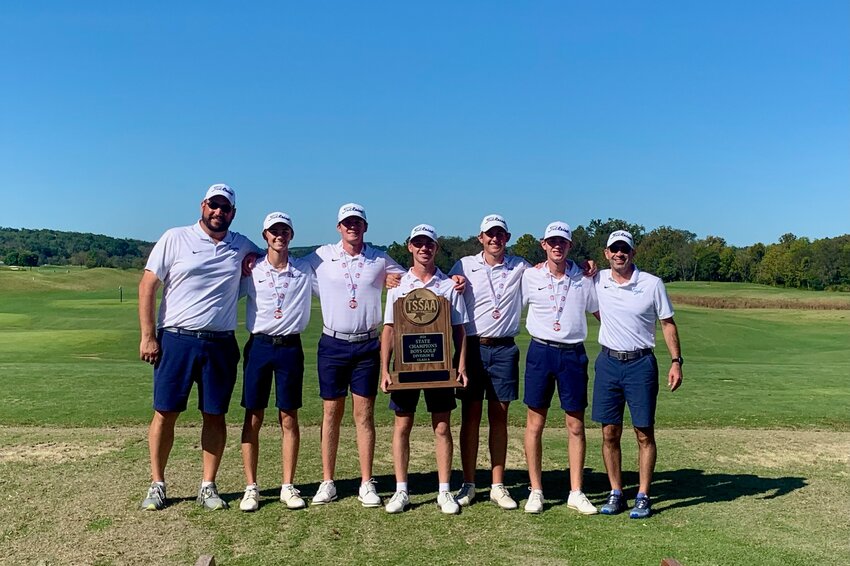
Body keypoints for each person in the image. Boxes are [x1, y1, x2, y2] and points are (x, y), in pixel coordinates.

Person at [138, 183, 260, 511]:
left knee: (215, 414)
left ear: (233, 213)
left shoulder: (242, 246)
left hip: (220, 343)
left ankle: (208, 485)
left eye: (225, 208)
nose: (218, 212)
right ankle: (157, 483)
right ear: (203, 205)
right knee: (165, 412)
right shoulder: (175, 237)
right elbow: (148, 285)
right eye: (213, 205)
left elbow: (273, 266)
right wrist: (148, 336)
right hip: (176, 339)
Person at [305, 203, 406, 507]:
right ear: (339, 227)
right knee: (331, 413)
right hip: (332, 344)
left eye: (357, 223)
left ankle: (366, 482)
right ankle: (328, 481)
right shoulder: (321, 255)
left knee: (364, 415)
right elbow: (285, 263)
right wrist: (250, 261)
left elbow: (414, 276)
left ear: (365, 227)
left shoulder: (378, 258)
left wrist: (450, 279)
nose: (352, 227)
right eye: (347, 223)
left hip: (367, 345)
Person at [591, 230, 683, 519]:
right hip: (608, 363)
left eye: (624, 249)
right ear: (606, 253)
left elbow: (667, 323)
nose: (619, 254)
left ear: (633, 253)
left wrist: (676, 361)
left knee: (643, 432)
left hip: (641, 364)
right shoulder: (598, 279)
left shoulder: (652, 283)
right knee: (609, 432)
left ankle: (643, 494)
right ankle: (616, 491)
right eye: (614, 249)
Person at [379, 224, 469, 515]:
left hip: (440, 368)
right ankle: (401, 490)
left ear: (436, 248)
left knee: (442, 427)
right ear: (410, 247)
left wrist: (461, 365)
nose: (424, 248)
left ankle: (444, 491)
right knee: (402, 426)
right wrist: (384, 369)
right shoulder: (398, 287)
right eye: (418, 243)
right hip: (405, 369)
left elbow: (459, 330)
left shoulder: (448, 285)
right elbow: (389, 330)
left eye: (429, 244)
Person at [449, 214, 530, 510]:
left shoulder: (520, 266)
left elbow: (552, 271)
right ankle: (468, 483)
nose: (495, 239)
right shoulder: (464, 264)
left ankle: (497, 485)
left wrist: (585, 267)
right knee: (470, 417)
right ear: (480, 237)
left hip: (505, 348)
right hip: (471, 347)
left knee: (499, 417)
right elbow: (441, 284)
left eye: (500, 234)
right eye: (489, 234)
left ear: (507, 238)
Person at [520, 221, 599, 514]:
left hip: (573, 354)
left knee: (575, 425)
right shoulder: (529, 276)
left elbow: (599, 310)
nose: (557, 246)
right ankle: (536, 490)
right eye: (552, 241)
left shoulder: (583, 277)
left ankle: (576, 491)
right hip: (540, 351)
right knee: (535, 423)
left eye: (562, 242)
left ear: (570, 246)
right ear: (543, 244)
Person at [237, 212, 314, 512]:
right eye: (273, 231)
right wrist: (248, 259)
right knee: (253, 418)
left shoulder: (305, 269)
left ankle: (287, 485)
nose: (279, 235)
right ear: (265, 235)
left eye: (284, 231)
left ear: (291, 235)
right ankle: (251, 487)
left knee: (289, 417)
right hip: (259, 346)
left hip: (290, 348)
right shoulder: (251, 269)